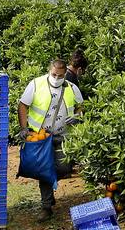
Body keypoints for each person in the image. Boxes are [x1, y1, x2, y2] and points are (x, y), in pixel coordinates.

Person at [17, 58, 84, 220]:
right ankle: (46, 206)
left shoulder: (72, 88)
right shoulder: (36, 84)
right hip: (41, 136)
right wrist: (24, 127)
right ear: (49, 71)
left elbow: (81, 107)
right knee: (43, 169)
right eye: (54, 74)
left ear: (65, 74)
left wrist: (77, 117)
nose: (56, 78)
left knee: (64, 168)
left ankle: (50, 181)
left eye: (60, 76)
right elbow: (22, 105)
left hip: (63, 135)